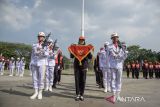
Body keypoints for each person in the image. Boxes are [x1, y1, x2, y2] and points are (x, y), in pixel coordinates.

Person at [68, 36, 94, 101]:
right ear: (78, 40)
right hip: (77, 66)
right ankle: (77, 94)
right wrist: (72, 49)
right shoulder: (75, 47)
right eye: (80, 40)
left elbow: (90, 57)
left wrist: (89, 50)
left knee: (83, 81)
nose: (81, 41)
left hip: (84, 66)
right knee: (77, 81)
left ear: (84, 41)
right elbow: (71, 56)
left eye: (82, 40)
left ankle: (82, 94)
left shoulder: (86, 48)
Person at [109, 33, 128, 102]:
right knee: (113, 80)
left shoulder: (122, 47)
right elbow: (107, 57)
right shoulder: (109, 46)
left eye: (116, 37)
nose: (115, 38)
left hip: (119, 65)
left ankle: (118, 95)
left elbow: (124, 57)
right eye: (113, 37)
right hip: (112, 65)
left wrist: (125, 52)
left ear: (118, 38)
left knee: (119, 80)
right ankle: (113, 95)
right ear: (112, 39)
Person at [30, 32, 48, 100]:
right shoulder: (34, 44)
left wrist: (42, 51)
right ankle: (35, 92)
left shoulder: (46, 45)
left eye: (41, 36)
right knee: (34, 78)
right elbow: (32, 54)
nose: (40, 37)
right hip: (34, 62)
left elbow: (47, 54)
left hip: (42, 62)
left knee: (41, 78)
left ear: (44, 38)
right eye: (39, 36)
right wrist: (31, 63)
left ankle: (40, 92)